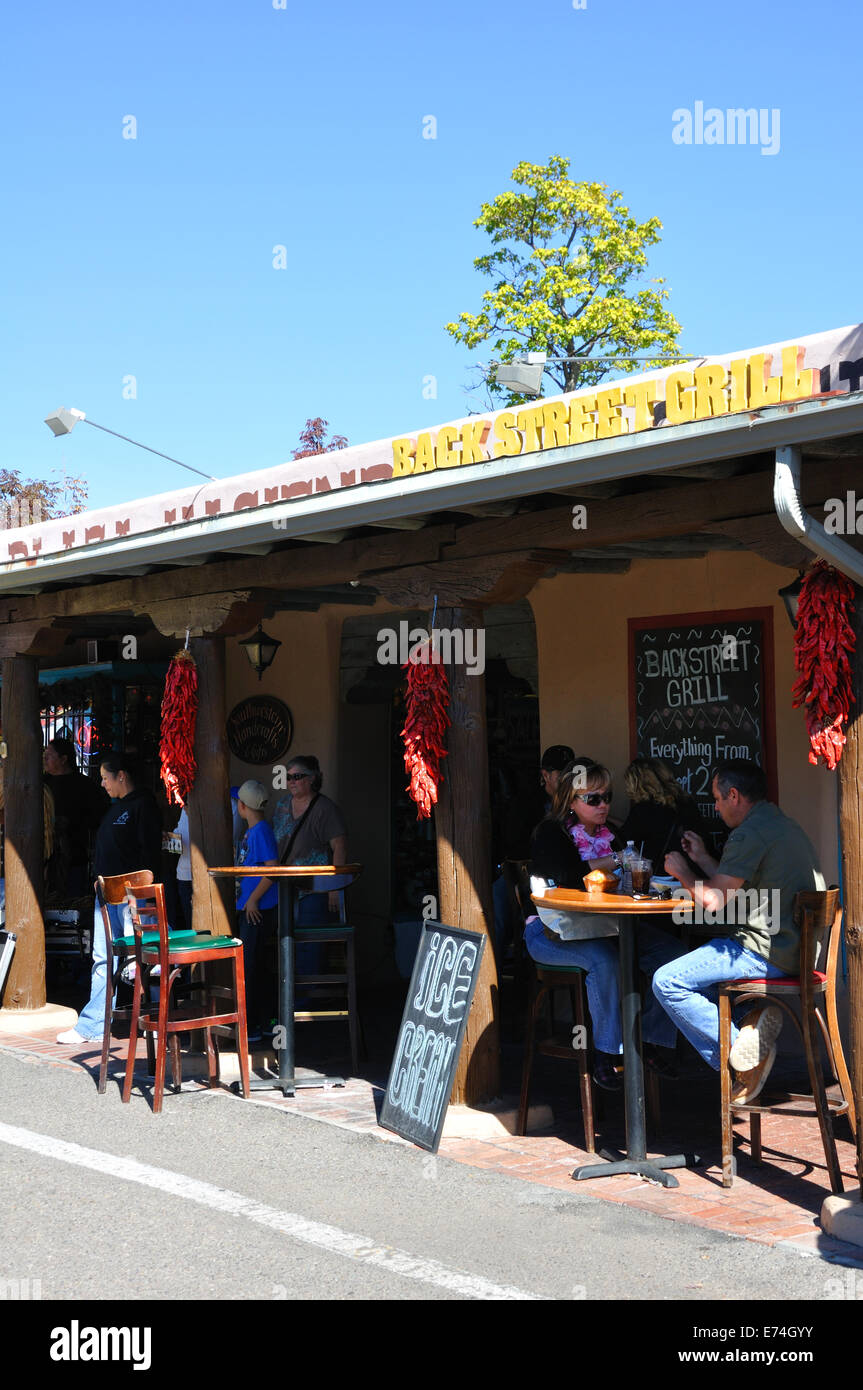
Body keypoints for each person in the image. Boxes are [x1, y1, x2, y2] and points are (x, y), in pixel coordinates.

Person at [652, 758, 826, 1102]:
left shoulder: (748, 833)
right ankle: (750, 1021)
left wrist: (682, 872)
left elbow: (715, 900)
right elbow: (734, 887)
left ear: (734, 795)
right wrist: (702, 858)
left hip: (766, 952)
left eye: (717, 799)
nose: (715, 807)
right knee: (699, 967)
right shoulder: (778, 823)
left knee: (667, 981)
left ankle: (742, 1058)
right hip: (795, 949)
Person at [525, 759, 682, 1090]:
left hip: (609, 926)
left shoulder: (613, 833)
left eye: (607, 797)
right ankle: (606, 1054)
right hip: (552, 930)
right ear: (570, 800)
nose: (603, 805)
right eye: (592, 799)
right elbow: (569, 876)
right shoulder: (550, 833)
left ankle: (648, 1041)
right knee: (606, 961)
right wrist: (618, 860)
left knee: (672, 953)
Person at [56, 753, 162, 1046]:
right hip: (107, 894)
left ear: (122, 776)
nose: (102, 783)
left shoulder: (142, 804)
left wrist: (138, 893)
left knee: (150, 958)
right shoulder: (117, 807)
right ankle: (94, 1025)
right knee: (103, 959)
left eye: (105, 777)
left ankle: (157, 1019)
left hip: (132, 897)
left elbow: (149, 854)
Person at [270, 756, 348, 924]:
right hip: (282, 890)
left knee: (310, 944)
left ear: (312, 778)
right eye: (288, 777)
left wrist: (335, 887)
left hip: (314, 889)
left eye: (297, 777)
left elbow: (339, 847)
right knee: (284, 943)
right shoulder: (282, 805)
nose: (291, 781)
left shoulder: (325, 809)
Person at [234, 779, 279, 1040]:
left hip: (259, 909)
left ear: (242, 806)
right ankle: (260, 1022)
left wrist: (253, 900)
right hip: (252, 907)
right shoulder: (253, 830)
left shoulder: (260, 831)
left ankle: (252, 1026)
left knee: (251, 966)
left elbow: (272, 869)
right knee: (254, 965)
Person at [44, 737, 110, 897]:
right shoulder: (42, 783)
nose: (44, 759)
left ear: (63, 759)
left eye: (49, 755)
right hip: (45, 858)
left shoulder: (84, 785)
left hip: (75, 857)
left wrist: (71, 824)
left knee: (73, 901)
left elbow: (99, 817)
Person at [616, 757, 708, 869]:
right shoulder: (686, 802)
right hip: (695, 872)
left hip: (660, 877)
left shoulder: (643, 809)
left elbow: (624, 841)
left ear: (635, 783)